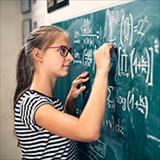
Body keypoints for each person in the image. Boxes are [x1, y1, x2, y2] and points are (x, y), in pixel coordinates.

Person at [14, 25, 113, 160]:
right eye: (62, 50)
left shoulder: (48, 101)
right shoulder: (32, 103)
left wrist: (69, 102)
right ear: (38, 54)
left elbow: (54, 137)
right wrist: (102, 71)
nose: (71, 57)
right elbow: (88, 131)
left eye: (69, 50)